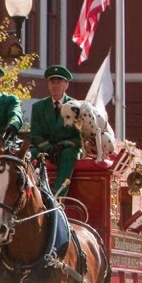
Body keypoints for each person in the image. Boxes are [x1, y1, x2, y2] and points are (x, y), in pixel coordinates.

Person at [29, 65, 82, 195]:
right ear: (48, 85)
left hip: (67, 148)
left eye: (59, 82)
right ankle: (30, 193)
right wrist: (49, 148)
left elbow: (80, 137)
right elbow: (35, 135)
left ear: (66, 85)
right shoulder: (38, 107)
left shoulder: (77, 106)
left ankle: (57, 194)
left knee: (69, 154)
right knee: (29, 155)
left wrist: (63, 145)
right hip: (46, 148)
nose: (55, 85)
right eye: (52, 82)